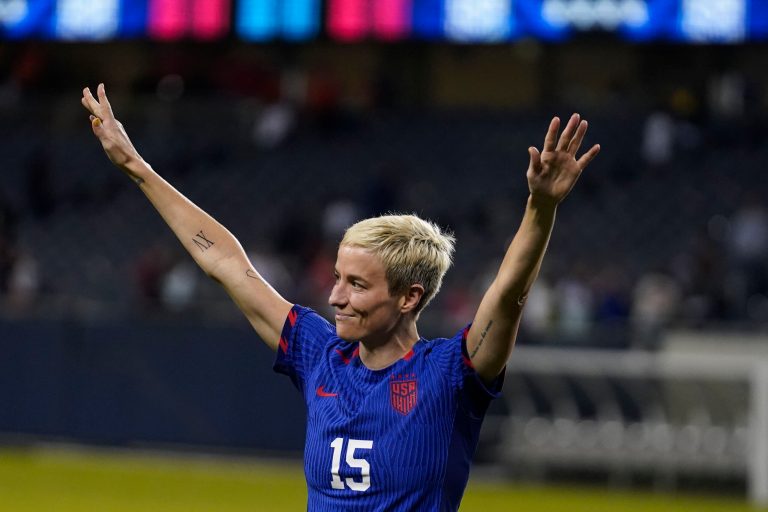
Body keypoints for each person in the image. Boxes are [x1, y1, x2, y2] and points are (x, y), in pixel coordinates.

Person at [81, 83, 600, 511]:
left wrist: (541, 208)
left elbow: (508, 293)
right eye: (336, 278)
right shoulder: (319, 354)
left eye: (357, 284)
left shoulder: (451, 376)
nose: (335, 297)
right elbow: (227, 264)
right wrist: (135, 166)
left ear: (408, 297)